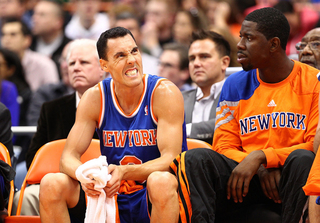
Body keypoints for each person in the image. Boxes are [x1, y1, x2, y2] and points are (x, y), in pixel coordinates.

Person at [170, 7, 320, 223]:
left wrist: (263, 157)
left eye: (249, 38)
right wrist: (258, 167)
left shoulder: (313, 81)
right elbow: (223, 145)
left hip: (288, 178)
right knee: (194, 158)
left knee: (303, 159)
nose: (239, 45)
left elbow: (313, 146)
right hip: (246, 178)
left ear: (274, 45)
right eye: (241, 37)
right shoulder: (234, 84)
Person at [39, 27, 187, 223]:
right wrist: (85, 176)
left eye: (134, 51)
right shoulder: (95, 97)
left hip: (152, 193)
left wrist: (125, 172)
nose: (132, 60)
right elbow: (67, 157)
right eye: (120, 55)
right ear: (104, 65)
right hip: (111, 190)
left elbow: (170, 160)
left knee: (161, 181)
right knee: (51, 183)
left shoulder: (164, 93)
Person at [12, 39, 103, 215]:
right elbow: (34, 158)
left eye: (84, 62)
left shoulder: (118, 106)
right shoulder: (51, 108)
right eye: (71, 63)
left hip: (104, 182)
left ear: (102, 68)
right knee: (26, 197)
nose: (76, 68)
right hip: (60, 181)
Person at [183, 30, 230, 145]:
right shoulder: (179, 99)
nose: (196, 63)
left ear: (224, 62)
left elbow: (229, 123)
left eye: (204, 57)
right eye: (192, 58)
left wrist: (185, 130)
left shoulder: (237, 96)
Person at [1, 18, 59, 92]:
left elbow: (53, 94)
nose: (6, 39)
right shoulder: (2, 65)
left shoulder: (44, 64)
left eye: (13, 34)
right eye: (4, 35)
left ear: (27, 40)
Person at [27, 41, 73, 127]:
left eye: (82, 62)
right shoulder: (45, 93)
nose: (64, 65)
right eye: (63, 59)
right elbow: (37, 131)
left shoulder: (105, 95)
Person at [30, 0, 72, 78]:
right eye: (34, 13)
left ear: (58, 22)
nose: (34, 19)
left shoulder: (71, 48)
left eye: (42, 15)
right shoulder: (28, 44)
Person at [113, 11, 159, 76]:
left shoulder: (155, 66)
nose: (124, 34)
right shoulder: (106, 67)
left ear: (141, 35)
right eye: (119, 30)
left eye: (130, 29)